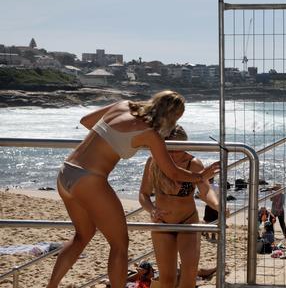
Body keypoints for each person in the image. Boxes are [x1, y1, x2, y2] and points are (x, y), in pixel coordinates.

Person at [47, 91, 218, 288]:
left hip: (66, 173)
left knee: (82, 236)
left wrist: (115, 140)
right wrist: (201, 176)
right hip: (89, 180)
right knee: (120, 245)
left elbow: (86, 121)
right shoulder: (150, 134)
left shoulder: (124, 105)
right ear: (172, 117)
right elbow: (173, 172)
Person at [139, 125, 222, 288]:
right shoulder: (154, 162)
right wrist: (152, 210)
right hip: (162, 223)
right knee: (167, 279)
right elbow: (144, 194)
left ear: (186, 145)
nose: (173, 153)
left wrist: (219, 205)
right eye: (168, 148)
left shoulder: (194, 164)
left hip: (187, 222)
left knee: (189, 275)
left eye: (177, 148)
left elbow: (205, 192)